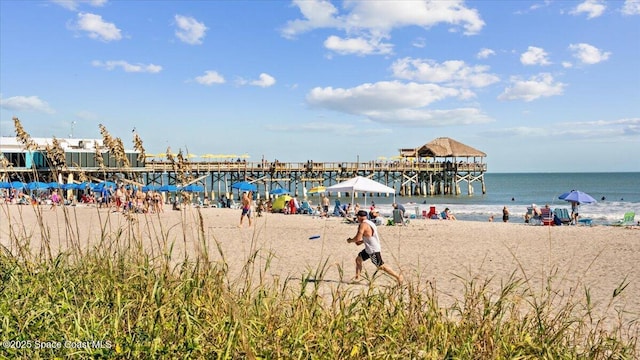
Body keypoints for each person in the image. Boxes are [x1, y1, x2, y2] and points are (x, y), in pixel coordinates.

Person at [346, 210, 403, 284]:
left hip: (373, 249)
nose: (357, 218)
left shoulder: (363, 225)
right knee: (358, 259)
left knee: (381, 266)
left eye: (357, 217)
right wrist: (362, 242)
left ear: (359, 217)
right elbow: (368, 236)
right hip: (369, 248)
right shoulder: (370, 223)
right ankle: (357, 278)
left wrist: (350, 240)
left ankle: (398, 276)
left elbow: (357, 238)